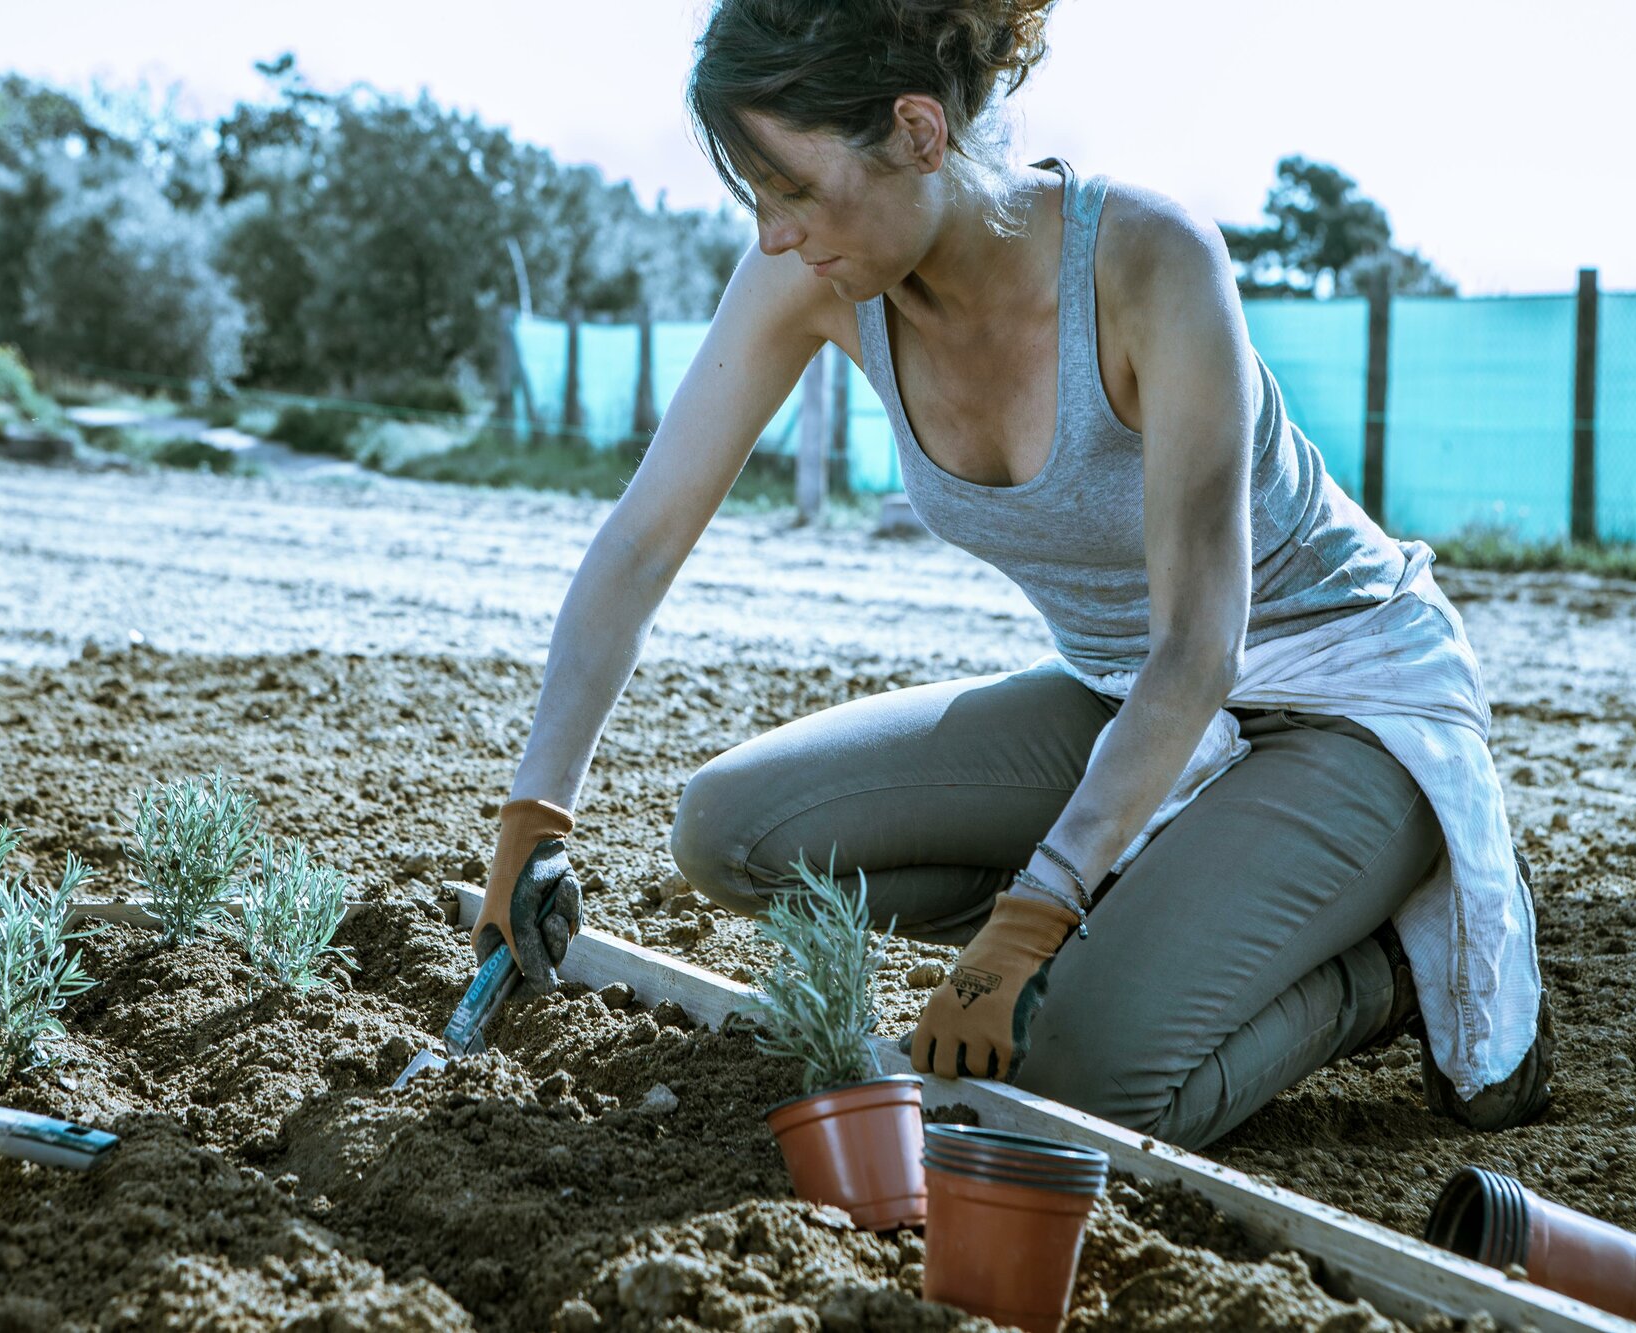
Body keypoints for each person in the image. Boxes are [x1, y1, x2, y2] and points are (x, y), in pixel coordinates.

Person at [471, 0, 1551, 1151]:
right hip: (1121, 698)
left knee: (1067, 1083)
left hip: (1340, 703)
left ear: (916, 132)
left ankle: (1377, 971)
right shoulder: (814, 278)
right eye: (754, 198)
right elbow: (642, 538)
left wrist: (1033, 916)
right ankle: (1165, 916)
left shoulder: (1148, 262)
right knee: (729, 830)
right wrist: (536, 811)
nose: (773, 235)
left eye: (791, 189)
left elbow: (1200, 649)